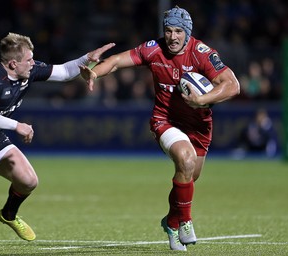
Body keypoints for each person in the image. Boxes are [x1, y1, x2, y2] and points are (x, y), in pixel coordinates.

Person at [0, 32, 115, 250]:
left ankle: (8, 214)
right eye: (28, 59)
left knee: (28, 181)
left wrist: (87, 58)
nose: (33, 63)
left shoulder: (28, 70)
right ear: (12, 63)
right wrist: (16, 125)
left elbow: (65, 71)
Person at [80, 6, 240, 251]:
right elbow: (114, 62)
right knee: (185, 161)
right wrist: (94, 73)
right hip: (165, 120)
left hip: (199, 125)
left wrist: (201, 100)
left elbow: (232, 85)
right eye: (168, 30)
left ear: (187, 33)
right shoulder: (153, 49)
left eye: (178, 31)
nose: (172, 37)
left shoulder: (202, 54)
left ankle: (171, 221)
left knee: (189, 177)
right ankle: (185, 221)